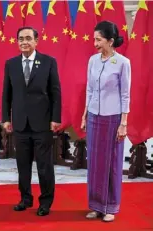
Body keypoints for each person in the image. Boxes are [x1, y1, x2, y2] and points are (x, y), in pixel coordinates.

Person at [1, 26, 61, 216]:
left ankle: (45, 202)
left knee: (44, 165)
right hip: (19, 123)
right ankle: (25, 199)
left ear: (36, 41)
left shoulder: (48, 62)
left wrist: (55, 118)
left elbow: (55, 93)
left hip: (42, 123)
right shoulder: (10, 64)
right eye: (20, 39)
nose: (24, 42)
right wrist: (5, 118)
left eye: (28, 38)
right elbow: (6, 94)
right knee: (22, 165)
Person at [81, 21, 131, 222]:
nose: (95, 43)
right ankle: (95, 205)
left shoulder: (122, 63)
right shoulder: (92, 60)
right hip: (94, 116)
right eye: (94, 39)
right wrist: (85, 115)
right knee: (94, 163)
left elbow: (125, 95)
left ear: (110, 41)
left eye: (99, 40)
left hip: (113, 119)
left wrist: (123, 123)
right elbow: (89, 90)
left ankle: (110, 207)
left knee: (111, 162)